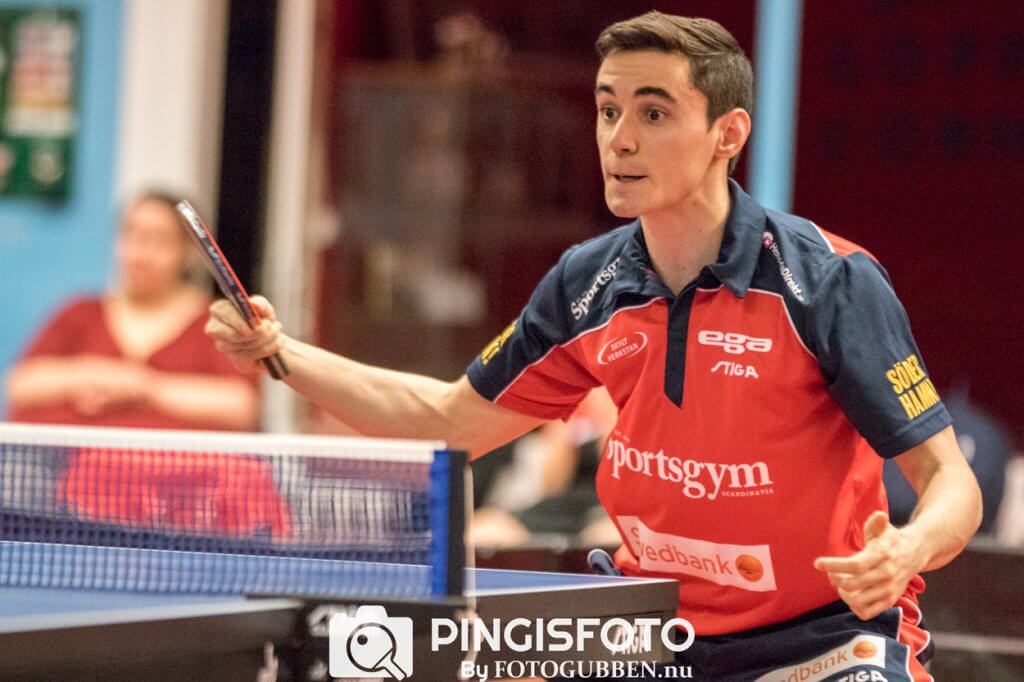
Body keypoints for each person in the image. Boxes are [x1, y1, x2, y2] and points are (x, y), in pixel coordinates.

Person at [205, 12, 982, 681]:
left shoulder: (826, 283)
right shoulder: (588, 285)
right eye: (609, 111)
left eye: (654, 113)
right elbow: (446, 420)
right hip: (650, 633)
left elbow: (952, 482)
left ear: (727, 133)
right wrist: (280, 352)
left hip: (822, 640)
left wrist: (908, 547)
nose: (620, 139)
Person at [6, 191, 259, 432]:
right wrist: (93, 374)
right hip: (80, 462)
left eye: (159, 240)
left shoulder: (217, 322)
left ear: (189, 252)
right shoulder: (78, 312)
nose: (140, 255)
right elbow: (20, 385)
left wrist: (146, 387)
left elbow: (241, 406)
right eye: (132, 236)